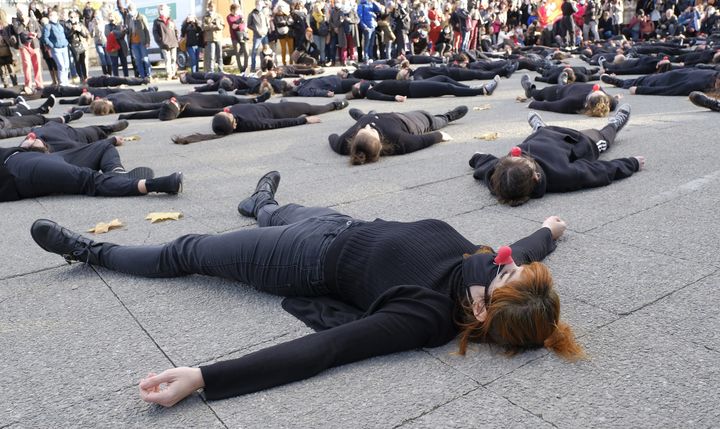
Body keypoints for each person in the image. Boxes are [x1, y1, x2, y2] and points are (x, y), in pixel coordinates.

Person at [29, 170, 582, 407]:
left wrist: (203, 377)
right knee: (276, 210)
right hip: (341, 223)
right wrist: (549, 233)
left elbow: (324, 349)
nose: (503, 257)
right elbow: (524, 249)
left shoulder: (427, 315)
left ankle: (90, 251)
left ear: (487, 314)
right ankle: (260, 201)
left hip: (301, 260)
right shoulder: (483, 273)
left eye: (505, 271)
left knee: (190, 251)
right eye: (510, 265)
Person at [470, 105, 640, 207]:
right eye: (523, 158)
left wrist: (476, 157)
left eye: (513, 156)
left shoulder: (498, 176)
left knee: (540, 132)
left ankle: (539, 127)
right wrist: (631, 163)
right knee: (601, 139)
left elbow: (485, 164)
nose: (517, 152)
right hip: (576, 142)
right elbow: (599, 171)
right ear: (536, 176)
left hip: (543, 135)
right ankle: (613, 126)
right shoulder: (563, 175)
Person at [0, 139, 182, 202]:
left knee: (103, 147)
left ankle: (117, 175)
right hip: (20, 170)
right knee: (86, 179)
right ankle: (150, 185)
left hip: (29, 155)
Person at [329, 106, 468, 164]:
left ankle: (363, 116)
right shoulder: (399, 141)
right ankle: (447, 117)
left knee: (367, 118)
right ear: (380, 141)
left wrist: (364, 121)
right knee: (430, 119)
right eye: (370, 131)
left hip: (376, 116)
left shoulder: (345, 144)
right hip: (406, 121)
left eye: (361, 129)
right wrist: (440, 136)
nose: (367, 126)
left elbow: (332, 138)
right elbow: (422, 140)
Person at [171, 100, 349, 144]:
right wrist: (303, 120)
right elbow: (277, 124)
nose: (228, 113)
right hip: (278, 112)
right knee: (310, 107)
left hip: (269, 104)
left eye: (225, 113)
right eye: (230, 117)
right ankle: (335, 104)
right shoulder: (250, 124)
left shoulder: (224, 116)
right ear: (234, 126)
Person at [117, 91, 270, 121]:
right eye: (172, 103)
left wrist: (124, 116)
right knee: (231, 99)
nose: (170, 101)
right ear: (176, 108)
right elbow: (209, 112)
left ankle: (253, 100)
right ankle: (256, 101)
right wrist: (227, 111)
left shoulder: (165, 110)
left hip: (198, 95)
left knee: (230, 97)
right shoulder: (189, 109)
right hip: (212, 101)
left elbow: (146, 114)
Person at [346, 75, 500, 101]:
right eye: (358, 84)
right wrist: (394, 98)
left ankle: (470, 87)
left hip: (413, 85)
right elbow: (381, 97)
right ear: (361, 90)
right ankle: (483, 90)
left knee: (443, 78)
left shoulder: (372, 85)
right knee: (447, 87)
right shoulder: (371, 93)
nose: (360, 81)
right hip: (413, 90)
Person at [521, 76, 620, 116]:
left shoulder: (571, 102)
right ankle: (563, 81)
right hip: (571, 86)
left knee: (539, 94)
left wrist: (532, 104)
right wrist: (616, 98)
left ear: (587, 102)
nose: (596, 88)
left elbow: (550, 106)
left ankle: (529, 90)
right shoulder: (611, 102)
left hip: (559, 92)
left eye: (594, 91)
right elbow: (614, 101)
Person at [601, 68, 720, 96]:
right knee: (643, 78)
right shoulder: (713, 73)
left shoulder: (699, 85)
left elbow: (671, 90)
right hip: (672, 74)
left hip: (665, 82)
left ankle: (619, 82)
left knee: (643, 82)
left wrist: (640, 90)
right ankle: (619, 81)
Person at [12, 8, 43, 93]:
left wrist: (36, 34)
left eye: (23, 12)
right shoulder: (15, 21)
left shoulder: (33, 20)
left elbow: (40, 33)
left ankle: (39, 84)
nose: (22, 14)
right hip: (24, 46)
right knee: (27, 66)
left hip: (34, 45)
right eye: (20, 13)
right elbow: (18, 31)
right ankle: (28, 85)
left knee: (37, 66)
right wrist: (23, 23)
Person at [42, 10, 70, 86]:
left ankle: (66, 81)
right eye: (51, 15)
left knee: (67, 65)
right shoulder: (48, 26)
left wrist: (66, 42)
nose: (52, 17)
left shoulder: (60, 25)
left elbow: (64, 34)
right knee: (61, 66)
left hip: (64, 47)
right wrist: (52, 45)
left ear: (57, 16)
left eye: (54, 15)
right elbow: (45, 38)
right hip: (56, 49)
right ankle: (61, 82)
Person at [153, 4, 179, 79]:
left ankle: (173, 73)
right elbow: (155, 33)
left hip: (173, 42)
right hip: (164, 44)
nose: (161, 11)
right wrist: (160, 42)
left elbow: (175, 30)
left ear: (166, 10)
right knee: (167, 59)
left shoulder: (171, 20)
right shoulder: (157, 21)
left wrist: (176, 39)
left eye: (163, 9)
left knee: (173, 59)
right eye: (160, 10)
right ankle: (169, 74)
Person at [127, 4, 152, 79]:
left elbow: (147, 30)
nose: (131, 12)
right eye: (129, 10)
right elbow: (129, 30)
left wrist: (148, 41)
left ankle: (148, 75)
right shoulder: (129, 18)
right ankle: (142, 76)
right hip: (133, 42)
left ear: (135, 9)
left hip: (142, 41)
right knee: (138, 60)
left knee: (145, 59)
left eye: (132, 10)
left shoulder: (142, 17)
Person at [65, 10, 91, 82]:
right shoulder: (66, 24)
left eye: (75, 16)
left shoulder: (80, 23)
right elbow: (67, 35)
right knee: (77, 61)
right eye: (71, 17)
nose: (73, 18)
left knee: (83, 60)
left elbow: (85, 35)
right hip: (73, 44)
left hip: (81, 44)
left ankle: (85, 76)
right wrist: (72, 30)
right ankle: (80, 76)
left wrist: (79, 30)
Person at [248, 0, 270, 73]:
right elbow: (249, 25)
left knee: (266, 51)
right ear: (256, 4)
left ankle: (265, 66)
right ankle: (253, 68)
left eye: (261, 4)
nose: (260, 6)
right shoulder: (252, 14)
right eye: (258, 4)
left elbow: (266, 22)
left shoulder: (263, 13)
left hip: (265, 34)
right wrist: (256, 30)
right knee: (254, 51)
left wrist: (267, 28)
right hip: (257, 36)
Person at [202, 1, 225, 73]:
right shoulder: (205, 17)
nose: (212, 8)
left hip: (218, 37)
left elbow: (222, 26)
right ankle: (211, 70)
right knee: (211, 56)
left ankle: (220, 70)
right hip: (209, 38)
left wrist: (216, 25)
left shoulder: (219, 16)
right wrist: (212, 26)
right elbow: (203, 27)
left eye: (213, 7)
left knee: (220, 56)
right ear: (208, 8)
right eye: (210, 7)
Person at [105, 12, 130, 77]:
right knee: (114, 64)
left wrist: (113, 32)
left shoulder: (119, 25)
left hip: (121, 46)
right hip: (113, 47)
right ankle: (116, 79)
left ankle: (126, 77)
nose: (111, 17)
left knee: (124, 63)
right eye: (109, 16)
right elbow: (107, 34)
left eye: (112, 15)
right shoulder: (106, 26)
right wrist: (118, 33)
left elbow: (122, 35)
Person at [227, 4, 248, 73]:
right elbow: (233, 26)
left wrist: (240, 23)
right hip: (235, 37)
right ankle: (241, 69)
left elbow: (244, 25)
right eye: (237, 9)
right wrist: (239, 22)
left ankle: (245, 68)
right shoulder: (229, 17)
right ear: (233, 10)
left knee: (246, 52)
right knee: (237, 53)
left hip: (243, 36)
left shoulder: (240, 16)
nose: (238, 11)